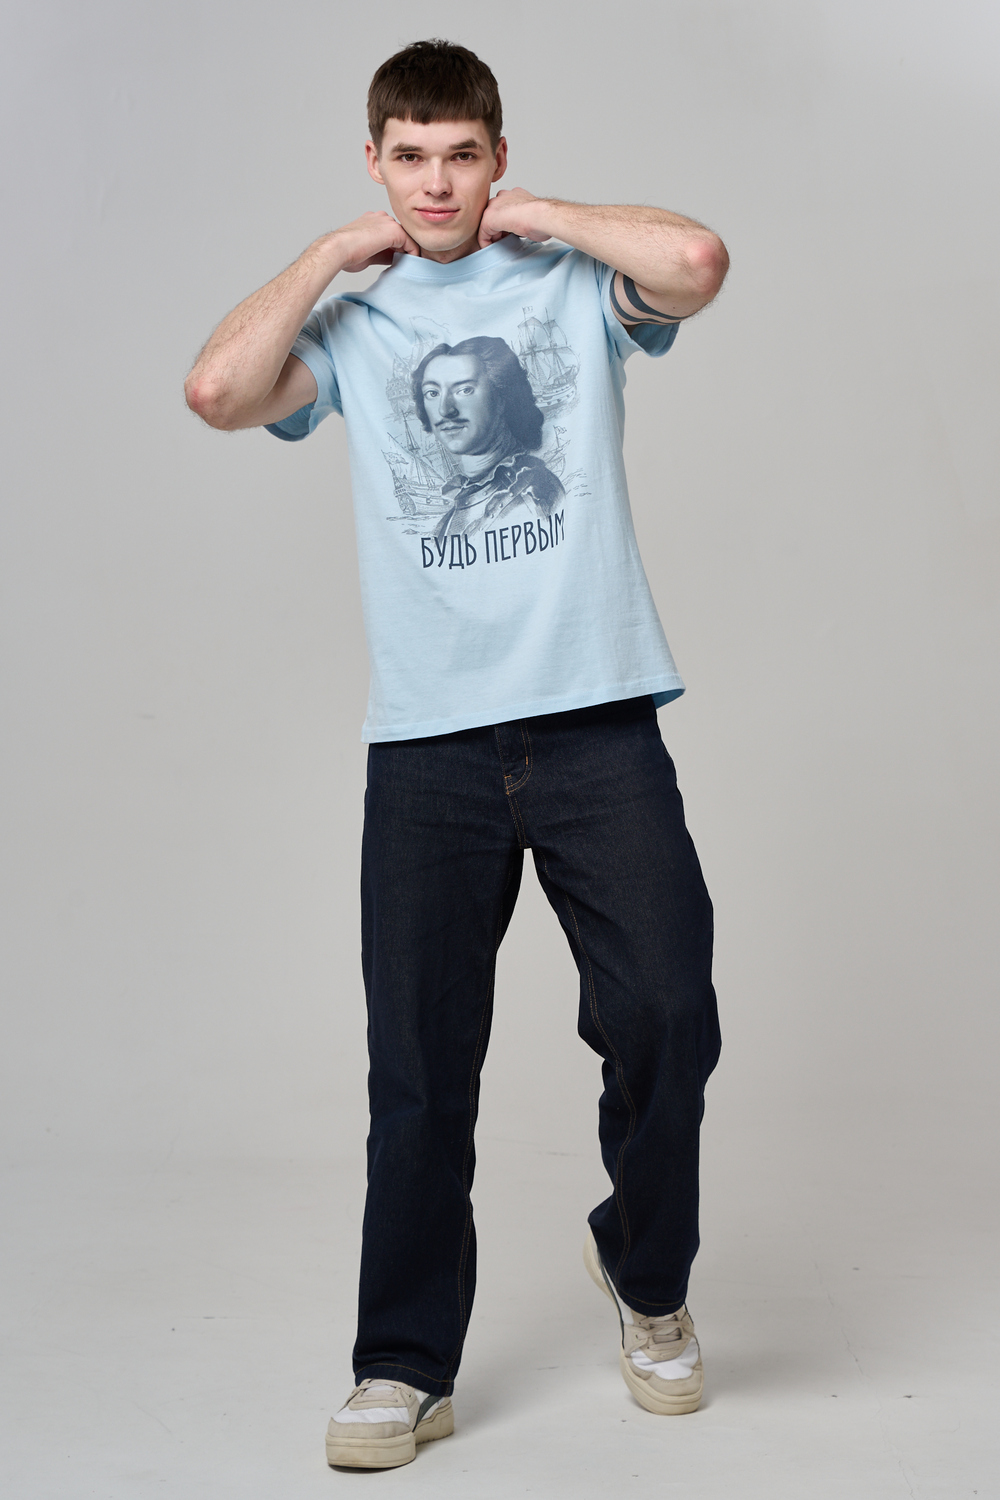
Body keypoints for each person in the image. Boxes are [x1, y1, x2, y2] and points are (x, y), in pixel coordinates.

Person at [185, 38, 728, 1470]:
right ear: (375, 161)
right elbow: (218, 391)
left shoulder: (569, 286)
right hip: (428, 748)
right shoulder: (353, 327)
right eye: (410, 157)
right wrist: (330, 254)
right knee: (419, 1072)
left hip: (597, 720)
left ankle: (648, 1275)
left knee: (669, 1011)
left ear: (496, 156)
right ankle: (402, 1364)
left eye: (462, 156)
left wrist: (539, 219)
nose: (436, 182)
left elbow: (694, 261)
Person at [411, 335, 565, 539]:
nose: (444, 410)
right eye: (432, 393)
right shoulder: (447, 520)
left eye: (464, 390)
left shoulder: (535, 492)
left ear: (502, 397)